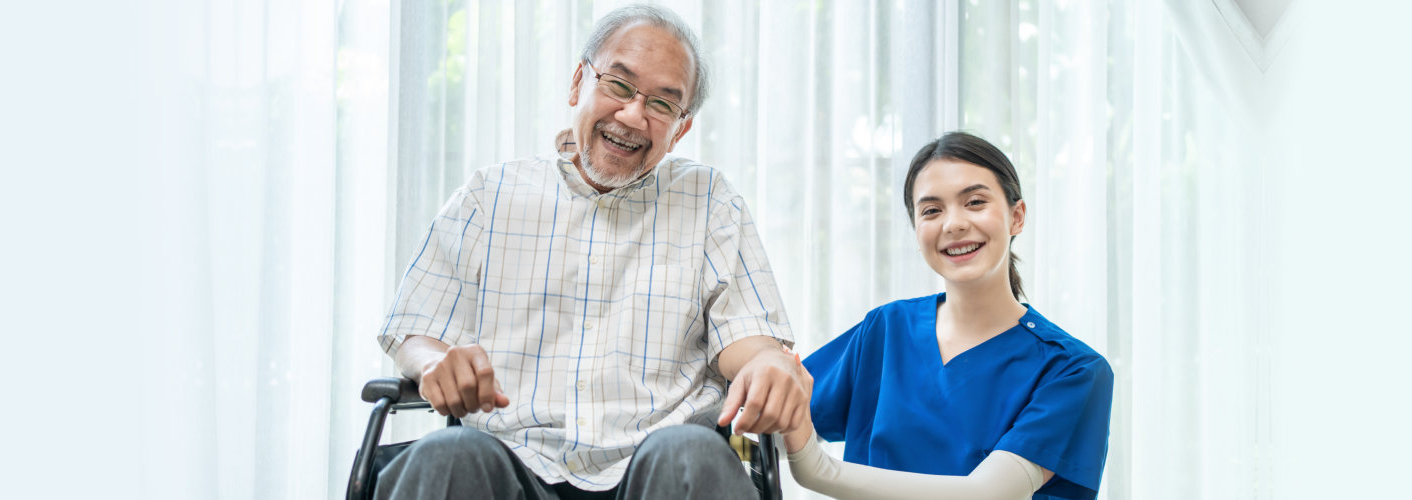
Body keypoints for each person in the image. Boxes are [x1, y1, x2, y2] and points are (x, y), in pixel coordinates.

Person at [372, 5, 811, 500]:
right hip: (508, 461)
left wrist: (767, 364)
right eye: (619, 86)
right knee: (445, 459)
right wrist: (433, 363)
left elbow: (748, 340)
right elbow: (417, 328)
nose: (632, 115)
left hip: (659, 469)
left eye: (662, 105)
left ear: (680, 129)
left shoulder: (710, 201)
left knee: (692, 454)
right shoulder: (488, 194)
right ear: (579, 82)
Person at [782, 132, 1115, 500]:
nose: (953, 224)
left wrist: (817, 468)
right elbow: (778, 427)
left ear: (1016, 217)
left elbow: (984, 494)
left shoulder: (1073, 370)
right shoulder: (886, 330)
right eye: (931, 210)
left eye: (974, 202)